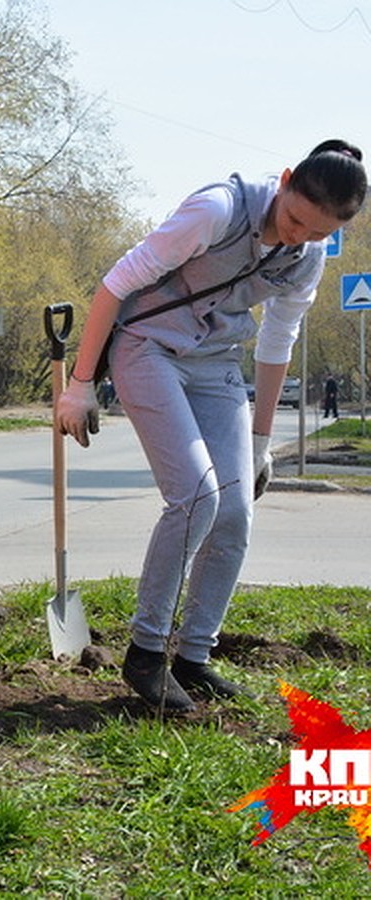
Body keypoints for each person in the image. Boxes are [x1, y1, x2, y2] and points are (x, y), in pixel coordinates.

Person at [56, 140, 366, 712]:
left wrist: (261, 445)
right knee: (197, 495)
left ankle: (194, 657)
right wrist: (78, 385)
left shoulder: (306, 256)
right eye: (295, 218)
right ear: (287, 178)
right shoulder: (217, 211)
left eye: (316, 233)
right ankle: (146, 654)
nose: (297, 236)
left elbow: (278, 339)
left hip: (216, 359)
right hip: (148, 346)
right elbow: (115, 285)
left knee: (236, 508)